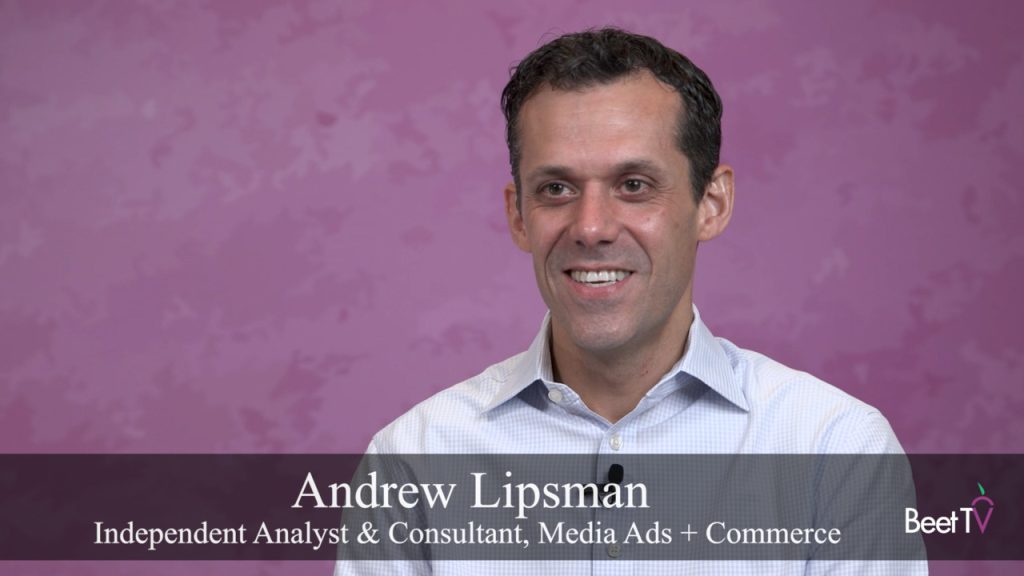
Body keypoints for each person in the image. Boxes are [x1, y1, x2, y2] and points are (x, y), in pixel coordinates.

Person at [336, 28, 923, 575]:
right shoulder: (413, 460)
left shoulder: (834, 451)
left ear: (712, 204)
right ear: (518, 215)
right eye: (556, 189)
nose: (591, 227)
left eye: (634, 185)